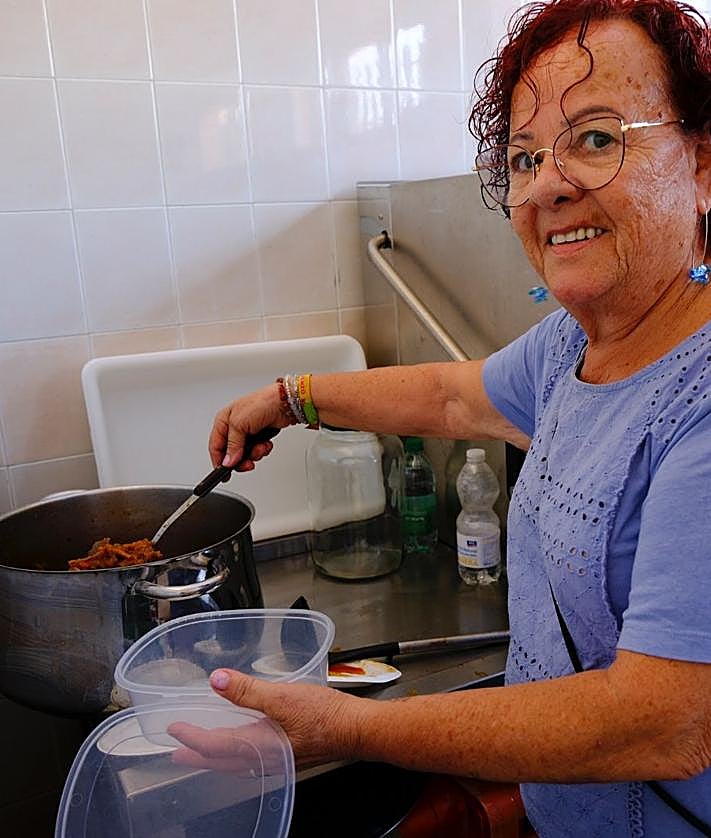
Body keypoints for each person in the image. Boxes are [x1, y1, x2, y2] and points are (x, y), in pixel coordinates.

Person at [184, 1, 711, 834]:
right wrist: (292, 398)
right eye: (525, 156)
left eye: (597, 137)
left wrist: (345, 727)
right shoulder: (572, 347)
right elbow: (451, 396)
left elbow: (665, 722)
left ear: (703, 164)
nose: (547, 184)